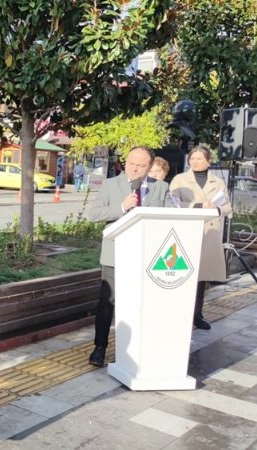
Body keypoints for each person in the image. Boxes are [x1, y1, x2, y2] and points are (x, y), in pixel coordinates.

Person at [85, 146, 172, 367]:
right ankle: (100, 347)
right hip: (116, 253)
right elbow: (93, 214)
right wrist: (122, 207)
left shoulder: (161, 188)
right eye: (131, 163)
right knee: (107, 302)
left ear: (150, 166)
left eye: (141, 165)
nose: (135, 168)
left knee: (139, 303)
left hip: (146, 256)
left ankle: (135, 348)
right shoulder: (111, 184)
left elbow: (170, 217)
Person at [170, 145, 231, 331]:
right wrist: (198, 206)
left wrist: (215, 209)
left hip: (209, 232)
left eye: (199, 158)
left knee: (201, 277)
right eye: (192, 158)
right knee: (183, 273)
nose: (195, 162)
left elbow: (227, 206)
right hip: (187, 230)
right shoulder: (180, 179)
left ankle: (197, 314)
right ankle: (179, 314)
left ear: (208, 161)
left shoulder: (218, 182)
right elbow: (173, 203)